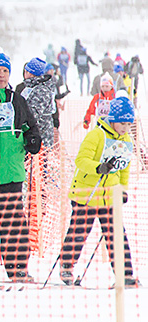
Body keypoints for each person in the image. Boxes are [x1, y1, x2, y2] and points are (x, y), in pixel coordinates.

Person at [0, 48, 41, 283]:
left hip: (12, 170)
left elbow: (30, 127)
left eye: (5, 70)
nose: (1, 75)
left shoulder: (17, 99)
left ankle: (17, 269)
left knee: (14, 224)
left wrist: (33, 139)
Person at [60, 97, 139, 288]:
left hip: (109, 198)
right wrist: (98, 168)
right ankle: (66, 267)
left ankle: (125, 274)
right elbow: (81, 160)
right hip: (86, 195)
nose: (125, 127)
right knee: (78, 233)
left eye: (129, 124)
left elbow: (124, 169)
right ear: (112, 119)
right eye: (122, 123)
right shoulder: (96, 135)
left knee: (116, 235)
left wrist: (122, 189)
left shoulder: (126, 140)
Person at [16, 58, 59, 147]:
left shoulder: (41, 91)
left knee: (38, 160)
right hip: (33, 136)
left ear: (30, 73)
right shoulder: (31, 88)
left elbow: (33, 115)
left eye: (26, 71)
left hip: (40, 138)